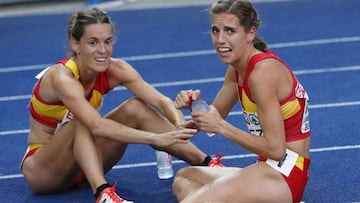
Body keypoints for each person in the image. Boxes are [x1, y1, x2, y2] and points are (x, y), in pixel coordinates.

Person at [19, 7, 222, 203]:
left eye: (107, 42)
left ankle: (209, 165)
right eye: (93, 42)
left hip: (83, 166)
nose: (102, 50)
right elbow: (96, 126)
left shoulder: (116, 69)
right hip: (45, 171)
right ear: (75, 44)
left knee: (135, 107)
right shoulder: (61, 77)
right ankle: (103, 194)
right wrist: (155, 139)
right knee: (83, 120)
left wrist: (179, 126)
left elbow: (161, 101)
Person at [172, 0, 311, 203]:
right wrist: (195, 105)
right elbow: (215, 115)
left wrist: (221, 127)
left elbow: (276, 149)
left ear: (250, 33)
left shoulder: (262, 74)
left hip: (286, 174)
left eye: (230, 31)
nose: (220, 39)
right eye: (215, 30)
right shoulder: (237, 69)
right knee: (183, 178)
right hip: (266, 167)